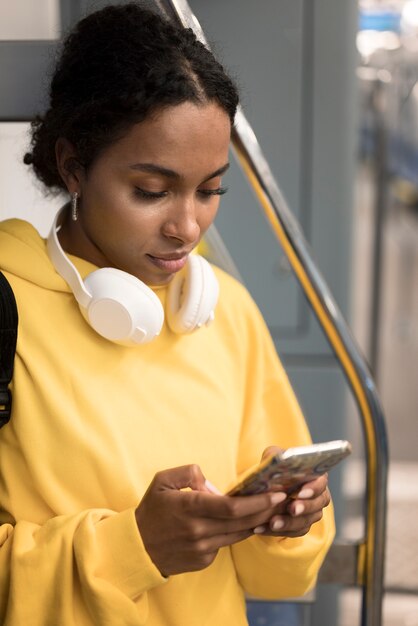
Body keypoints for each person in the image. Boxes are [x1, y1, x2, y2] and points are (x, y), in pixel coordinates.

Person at [0, 4, 335, 625]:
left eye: (210, 190)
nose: (187, 228)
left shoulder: (223, 313)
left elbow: (277, 579)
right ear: (74, 165)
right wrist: (134, 549)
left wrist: (286, 523)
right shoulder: (9, 310)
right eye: (151, 192)